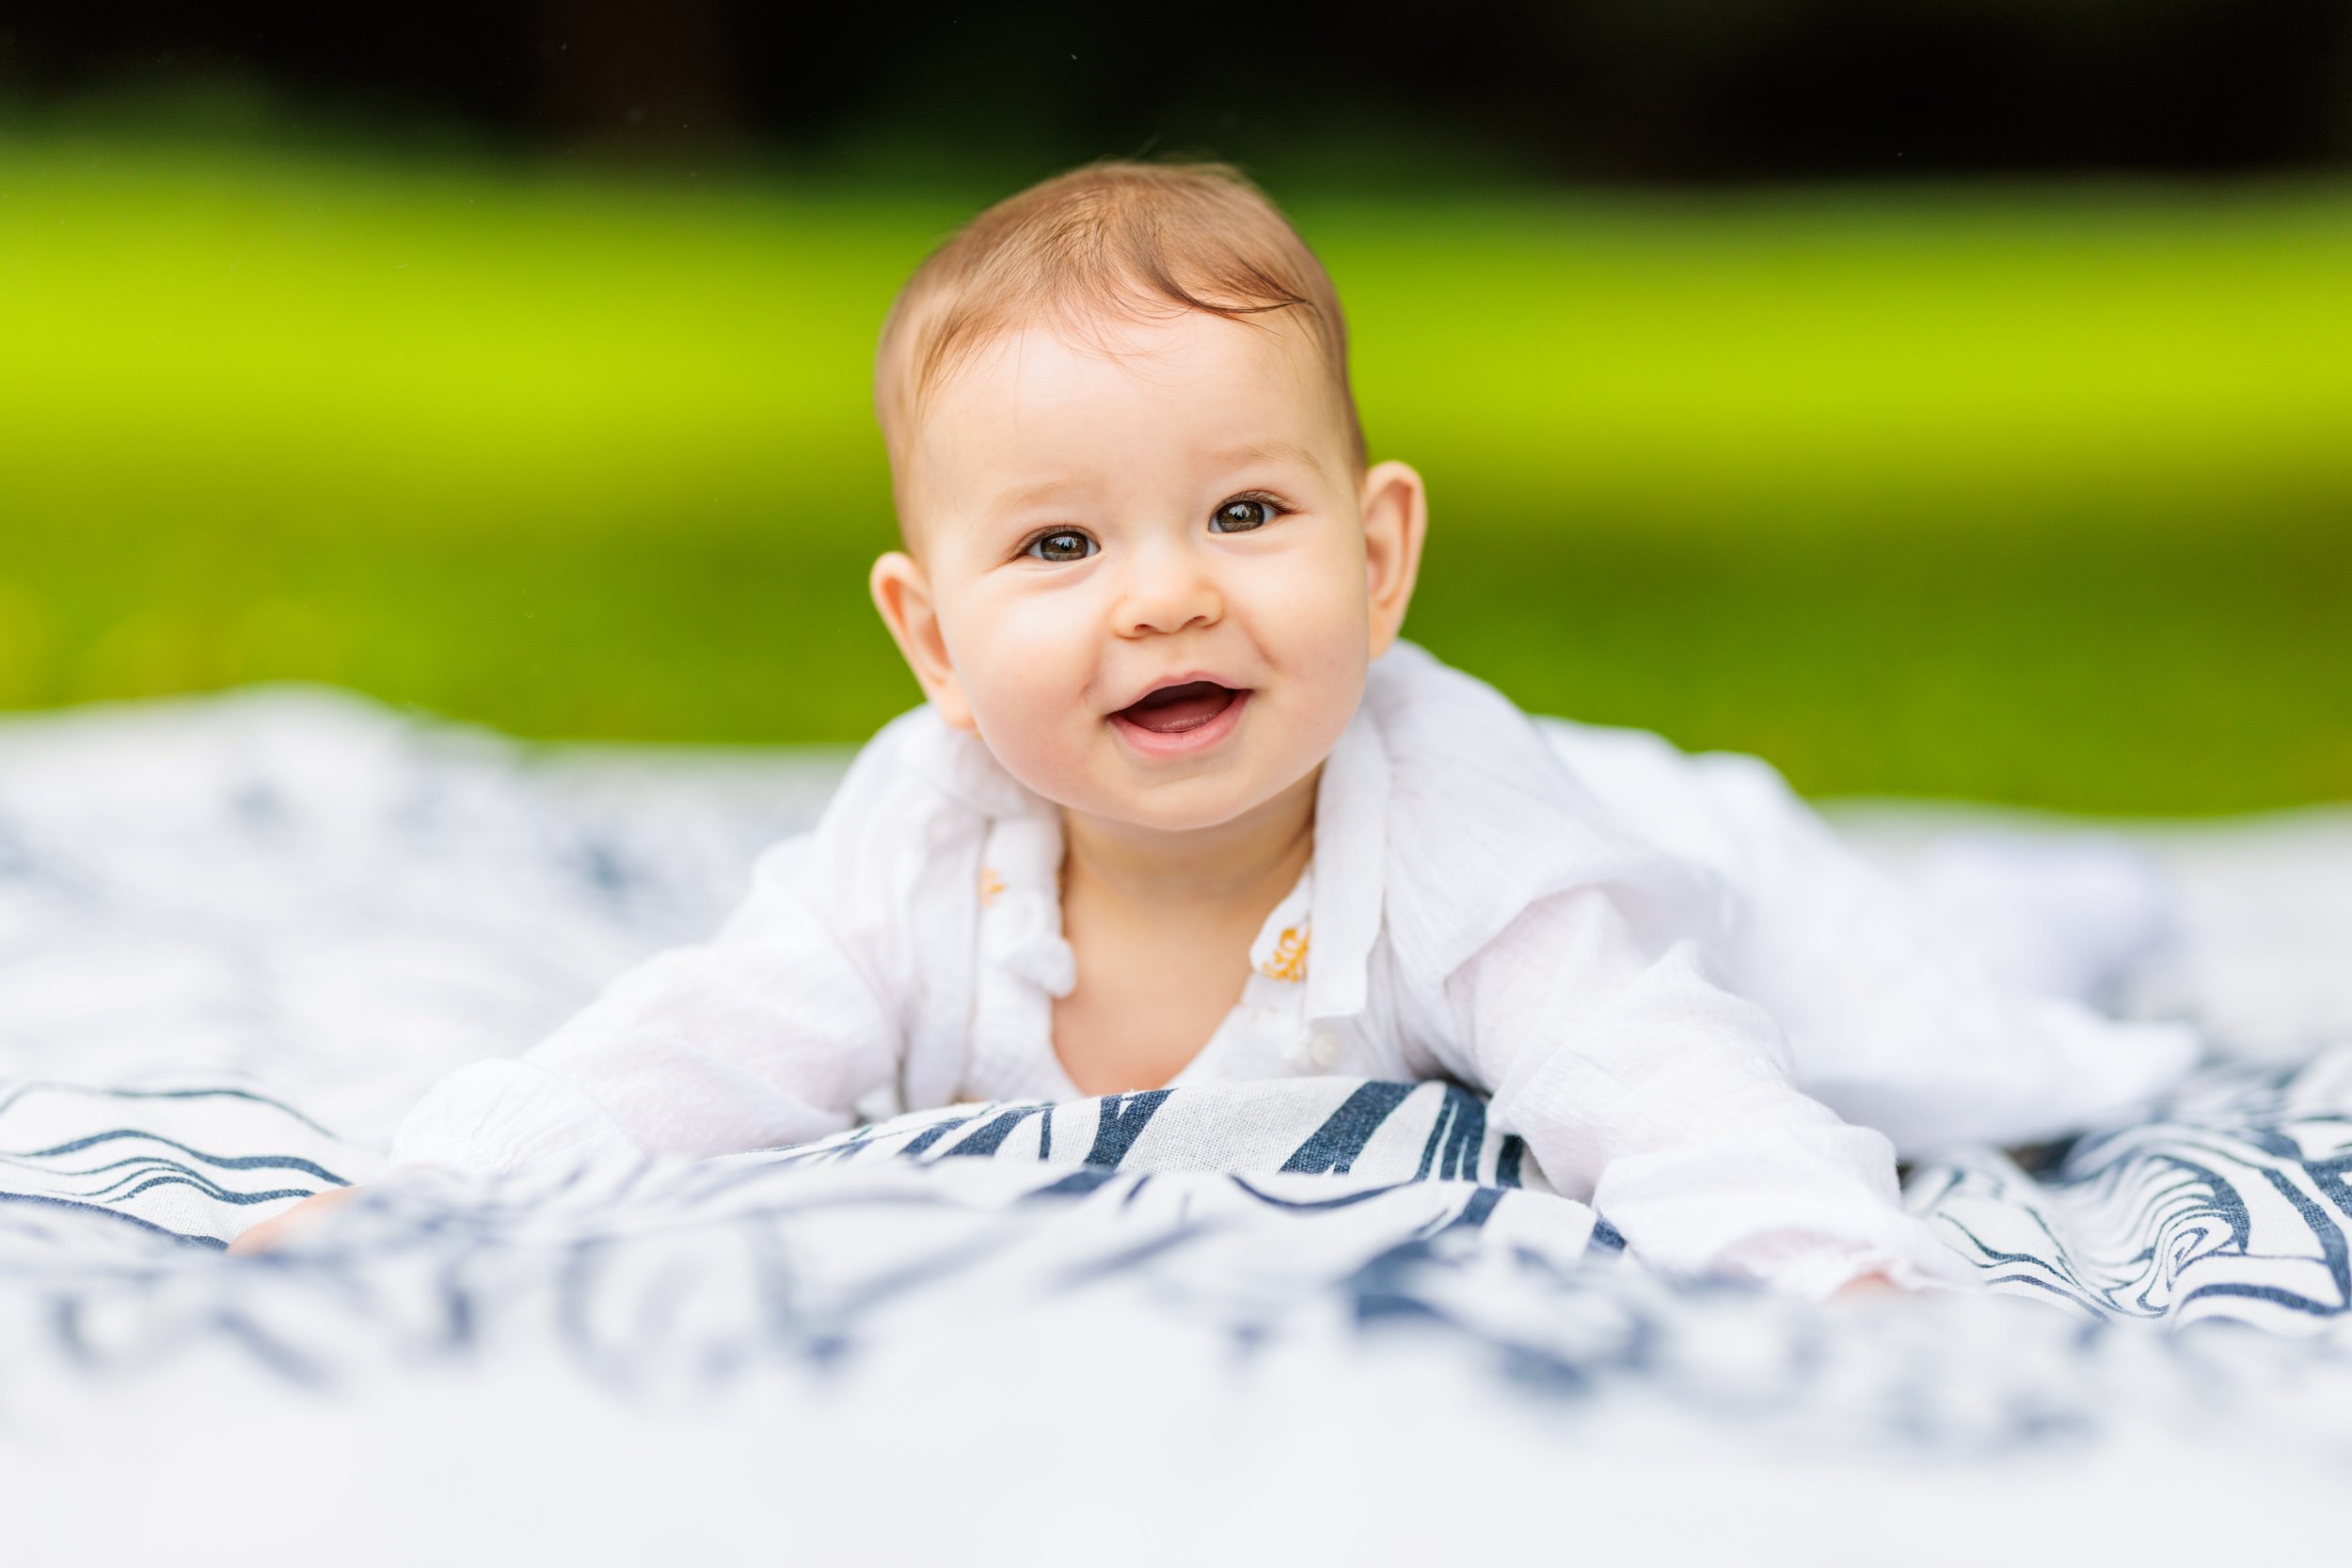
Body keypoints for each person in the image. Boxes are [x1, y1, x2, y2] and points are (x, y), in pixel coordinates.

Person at [232, 163, 2195, 1297]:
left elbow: (1657, 1079)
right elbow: (688, 1050)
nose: (1163, 594)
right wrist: (431, 1192)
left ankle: (2049, 908)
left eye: (1245, 516)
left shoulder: (1467, 853)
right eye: (1060, 542)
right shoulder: (917, 852)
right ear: (926, 636)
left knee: (1947, 1046)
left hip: (1700, 877)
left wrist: (1811, 1283)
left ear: (1380, 550)